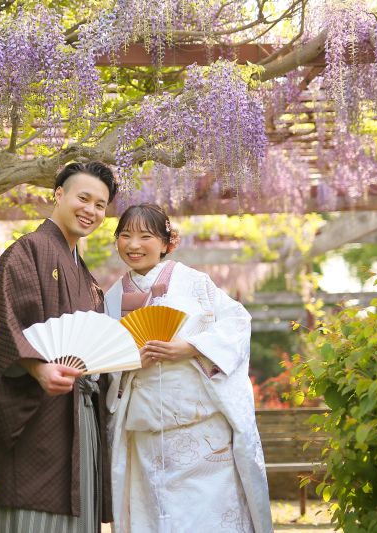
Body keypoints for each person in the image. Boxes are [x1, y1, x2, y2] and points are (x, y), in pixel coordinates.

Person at [104, 204, 273, 533]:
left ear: (168, 243)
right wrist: (128, 363)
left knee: (210, 519)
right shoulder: (111, 298)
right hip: (145, 439)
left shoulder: (196, 283)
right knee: (151, 520)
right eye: (124, 236)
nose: (133, 244)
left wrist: (191, 347)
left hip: (203, 435)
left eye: (145, 236)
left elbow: (237, 323)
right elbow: (103, 366)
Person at [0, 161, 119, 533]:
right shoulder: (28, 251)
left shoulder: (88, 280)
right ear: (58, 194)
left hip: (81, 414)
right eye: (83, 198)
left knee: (79, 509)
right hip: (39, 415)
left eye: (101, 205)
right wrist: (38, 368)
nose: (91, 210)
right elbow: (3, 326)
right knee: (31, 509)